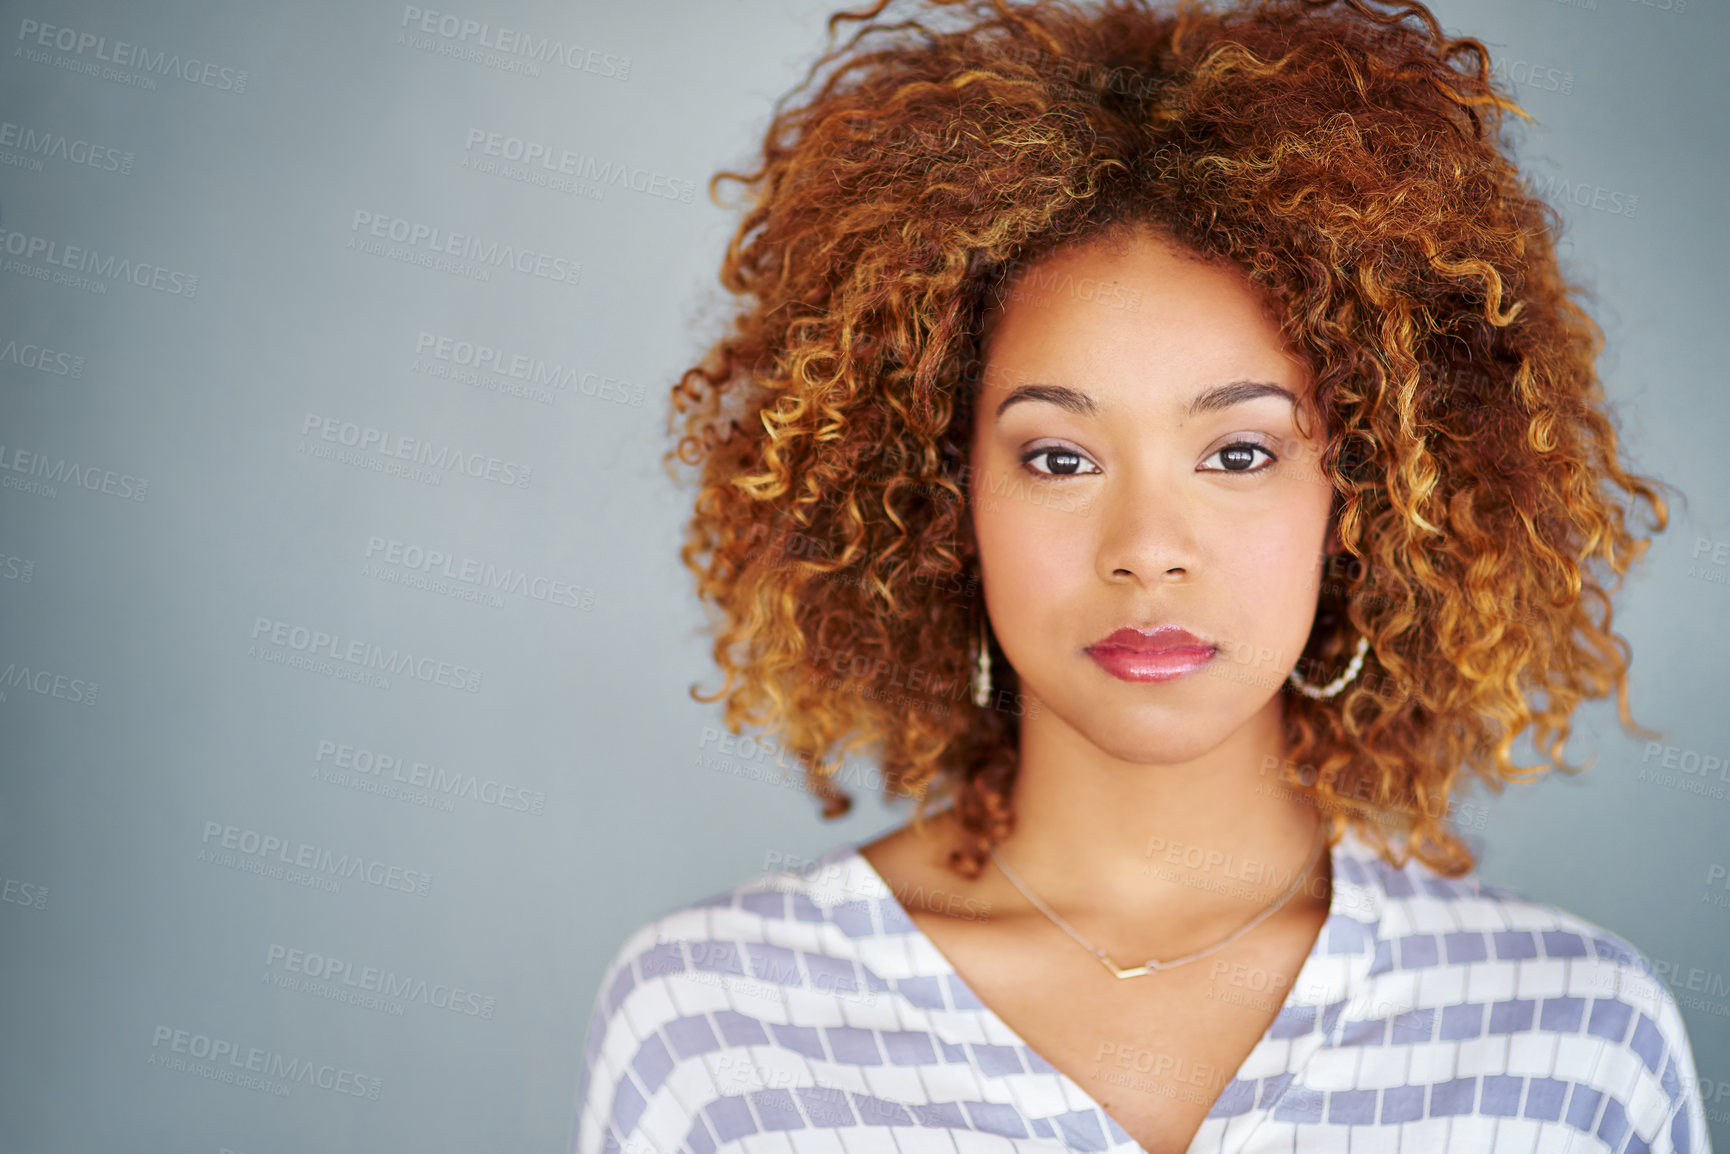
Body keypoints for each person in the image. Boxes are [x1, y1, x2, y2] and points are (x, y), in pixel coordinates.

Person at [572, 0, 1712, 1151]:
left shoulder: (1571, 1044)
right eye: (1058, 456)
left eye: (1237, 451)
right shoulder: (716, 1024)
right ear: (942, 493)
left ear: (1363, 491)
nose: (1146, 544)